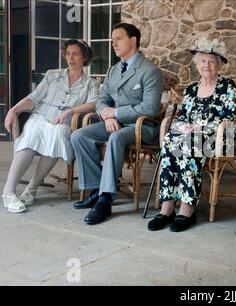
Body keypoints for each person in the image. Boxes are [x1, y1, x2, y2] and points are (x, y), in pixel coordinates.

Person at [71, 23, 163, 225]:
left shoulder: (149, 71)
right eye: (112, 39)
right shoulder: (113, 70)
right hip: (115, 123)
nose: (113, 43)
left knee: (115, 137)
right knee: (79, 135)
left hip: (142, 127)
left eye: (118, 38)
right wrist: (108, 115)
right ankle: (98, 188)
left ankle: (105, 199)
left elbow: (150, 108)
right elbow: (103, 99)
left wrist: (117, 113)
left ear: (133, 40)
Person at [147, 37, 236, 232]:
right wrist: (182, 126)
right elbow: (184, 117)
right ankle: (167, 209)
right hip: (192, 136)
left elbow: (230, 116)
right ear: (197, 65)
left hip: (220, 137)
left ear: (218, 65)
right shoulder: (190, 89)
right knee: (170, 141)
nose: (207, 65)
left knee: (189, 144)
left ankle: (187, 209)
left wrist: (198, 127)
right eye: (203, 61)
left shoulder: (228, 86)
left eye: (212, 61)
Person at [2, 40, 98, 213]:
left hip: (64, 121)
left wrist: (70, 112)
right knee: (30, 135)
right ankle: (8, 192)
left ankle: (32, 187)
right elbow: (34, 98)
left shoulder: (90, 83)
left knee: (59, 134)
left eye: (75, 53)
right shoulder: (52, 75)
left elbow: (93, 104)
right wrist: (13, 110)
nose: (70, 58)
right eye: (68, 53)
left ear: (85, 57)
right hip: (41, 116)